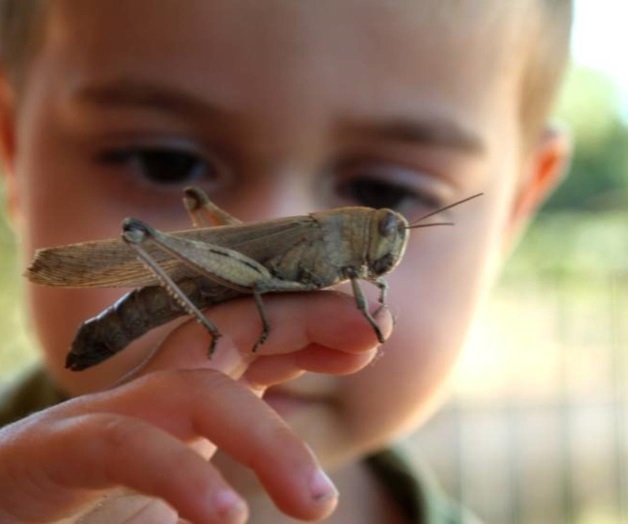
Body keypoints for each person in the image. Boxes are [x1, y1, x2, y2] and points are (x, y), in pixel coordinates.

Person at [0, 1, 573, 522]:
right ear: (12, 154)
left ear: (516, 211)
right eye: (165, 161)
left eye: (389, 188)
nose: (278, 209)